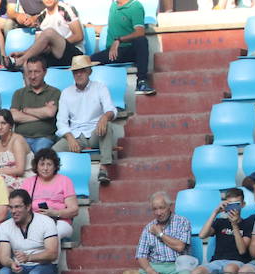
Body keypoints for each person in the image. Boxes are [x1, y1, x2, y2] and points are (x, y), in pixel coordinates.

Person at [54, 56, 116, 185]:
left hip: (96, 132)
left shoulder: (100, 87)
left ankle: (104, 168)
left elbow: (111, 109)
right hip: (75, 135)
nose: (79, 74)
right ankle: (56, 183)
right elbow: (61, 121)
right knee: (52, 152)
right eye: (76, 71)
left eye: (82, 70)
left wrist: (104, 117)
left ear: (89, 71)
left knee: (107, 126)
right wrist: (70, 138)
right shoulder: (66, 93)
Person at [191, 186, 253, 274]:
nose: (233, 208)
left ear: (243, 205)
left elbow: (242, 250)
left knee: (229, 270)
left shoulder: (248, 224)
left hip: (237, 262)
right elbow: (202, 235)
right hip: (217, 261)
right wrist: (215, 212)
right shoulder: (220, 222)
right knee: (195, 273)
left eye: (236, 204)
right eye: (230, 205)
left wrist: (234, 225)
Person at [90, 0, 154, 96]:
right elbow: (114, 26)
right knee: (87, 61)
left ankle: (141, 81)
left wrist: (119, 40)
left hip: (128, 50)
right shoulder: (113, 5)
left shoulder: (135, 6)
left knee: (142, 41)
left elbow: (140, 32)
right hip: (112, 52)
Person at [0, 188, 58, 274]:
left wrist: (29, 258)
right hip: (19, 267)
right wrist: (11, 263)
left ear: (28, 207)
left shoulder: (46, 222)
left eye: (17, 207)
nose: (13, 211)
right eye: (11, 207)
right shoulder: (4, 226)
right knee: (3, 273)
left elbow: (52, 254)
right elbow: (3, 257)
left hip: (43, 266)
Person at [135, 190, 195, 274]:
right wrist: (149, 270)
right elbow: (141, 255)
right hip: (156, 266)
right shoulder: (148, 228)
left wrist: (160, 234)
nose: (158, 213)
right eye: (155, 209)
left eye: (161, 208)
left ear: (169, 206)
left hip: (177, 266)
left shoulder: (182, 222)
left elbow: (180, 247)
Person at [18, 148, 76, 242]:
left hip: (60, 222)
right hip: (35, 222)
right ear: (36, 166)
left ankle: (51, 256)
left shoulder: (65, 181)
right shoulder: (28, 182)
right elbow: (21, 207)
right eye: (42, 164)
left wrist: (55, 213)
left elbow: (74, 210)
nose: (45, 168)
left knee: (52, 233)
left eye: (49, 164)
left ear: (55, 166)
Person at [6, 0, 81, 71]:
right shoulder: (41, 17)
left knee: (49, 33)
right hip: (54, 57)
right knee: (30, 63)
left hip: (74, 55)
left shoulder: (65, 9)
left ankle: (20, 61)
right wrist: (23, 53)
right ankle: (19, 63)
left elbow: (79, 36)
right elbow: (38, 45)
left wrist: (55, 43)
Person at [9, 58, 59, 154]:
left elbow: (50, 113)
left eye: (36, 72)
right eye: (30, 72)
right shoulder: (19, 93)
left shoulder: (54, 92)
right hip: (21, 138)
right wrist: (42, 114)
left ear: (45, 72)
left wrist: (26, 110)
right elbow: (13, 116)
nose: (32, 76)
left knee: (41, 156)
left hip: (45, 138)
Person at [0, 109, 32, 190]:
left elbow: (20, 170)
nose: (0, 127)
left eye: (3, 123)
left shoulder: (17, 140)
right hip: (6, 179)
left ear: (10, 125)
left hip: (25, 179)